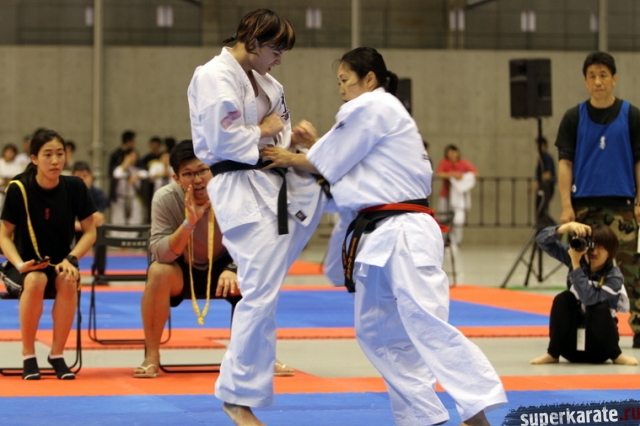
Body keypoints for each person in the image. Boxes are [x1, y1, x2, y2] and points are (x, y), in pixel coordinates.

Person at [261, 47, 506, 426]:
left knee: (425, 322)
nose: (341, 89)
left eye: (345, 80)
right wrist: (313, 146)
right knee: (375, 330)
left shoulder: (373, 105)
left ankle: (478, 409)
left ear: (369, 79)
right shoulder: (376, 115)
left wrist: (290, 155)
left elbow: (330, 160)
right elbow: (347, 161)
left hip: (405, 228)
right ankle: (423, 416)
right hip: (379, 233)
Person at [187, 9, 325, 425]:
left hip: (278, 183)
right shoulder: (213, 76)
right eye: (276, 50)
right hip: (240, 188)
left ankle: (242, 391)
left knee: (266, 293)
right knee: (260, 293)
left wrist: (290, 138)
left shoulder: (270, 84)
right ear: (252, 41)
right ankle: (236, 396)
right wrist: (264, 130)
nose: (279, 59)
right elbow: (222, 140)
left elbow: (278, 132)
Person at [133, 140, 294, 379]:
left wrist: (233, 267)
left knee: (259, 274)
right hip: (182, 268)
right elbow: (160, 253)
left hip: (225, 267)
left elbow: (256, 242)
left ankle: (261, 354)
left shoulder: (234, 194)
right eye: (188, 174)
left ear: (213, 169)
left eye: (202, 170)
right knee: (157, 271)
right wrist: (188, 223)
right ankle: (151, 355)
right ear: (176, 178)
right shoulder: (165, 198)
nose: (197, 180)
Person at [555, 51, 640, 348]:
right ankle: (581, 324)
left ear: (614, 79)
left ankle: (639, 326)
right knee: (581, 268)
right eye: (592, 76)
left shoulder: (632, 115)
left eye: (603, 75)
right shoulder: (573, 117)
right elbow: (565, 163)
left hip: (623, 206)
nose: (598, 81)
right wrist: (566, 206)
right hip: (584, 207)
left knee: (633, 270)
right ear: (585, 81)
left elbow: (639, 162)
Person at [0, 129, 97, 380]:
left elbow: (90, 232)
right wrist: (20, 264)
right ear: (34, 158)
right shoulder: (19, 188)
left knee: (68, 279)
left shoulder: (75, 187)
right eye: (48, 155)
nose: (55, 161)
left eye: (60, 154)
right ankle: (28, 355)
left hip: (60, 263)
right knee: (36, 279)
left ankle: (57, 354)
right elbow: (3, 235)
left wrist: (71, 259)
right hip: (22, 267)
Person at [531, 222, 638, 366]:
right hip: (570, 348)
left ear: (611, 251)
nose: (594, 251)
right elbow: (542, 241)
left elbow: (590, 299)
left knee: (598, 307)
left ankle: (616, 355)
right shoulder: (578, 257)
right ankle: (553, 353)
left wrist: (576, 265)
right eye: (591, 245)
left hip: (601, 349)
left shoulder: (614, 276)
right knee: (563, 299)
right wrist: (565, 227)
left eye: (600, 247)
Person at [435, 144, 479, 245]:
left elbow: (475, 173)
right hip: (446, 195)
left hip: (458, 197)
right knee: (443, 218)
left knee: (458, 220)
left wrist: (463, 176)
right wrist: (452, 175)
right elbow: (439, 174)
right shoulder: (444, 162)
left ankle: (455, 240)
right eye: (450, 152)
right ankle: (443, 240)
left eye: (454, 152)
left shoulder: (463, 163)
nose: (452, 154)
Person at [110, 148, 148, 237]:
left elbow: (146, 174)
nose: (134, 158)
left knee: (136, 219)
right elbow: (117, 174)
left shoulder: (137, 169)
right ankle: (117, 239)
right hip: (120, 198)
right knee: (118, 220)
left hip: (133, 197)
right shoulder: (119, 168)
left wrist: (136, 175)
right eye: (131, 156)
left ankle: (132, 238)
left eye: (135, 156)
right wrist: (125, 163)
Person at [530, 137, 556, 229]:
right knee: (540, 211)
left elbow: (548, 174)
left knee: (541, 211)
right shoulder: (542, 157)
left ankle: (554, 228)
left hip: (545, 187)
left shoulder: (545, 157)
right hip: (544, 187)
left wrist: (538, 183)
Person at [0, 144, 26, 212]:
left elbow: (19, 179)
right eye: (7, 152)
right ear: (4, 152)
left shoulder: (17, 166)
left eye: (11, 152)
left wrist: (8, 181)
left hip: (10, 192)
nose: (9, 154)